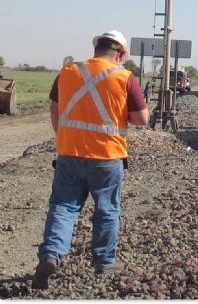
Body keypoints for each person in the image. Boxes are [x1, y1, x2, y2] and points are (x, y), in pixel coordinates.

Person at [32, 30, 149, 289]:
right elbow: (142, 119)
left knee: (63, 207)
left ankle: (51, 254)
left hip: (69, 154)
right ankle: (103, 263)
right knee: (107, 210)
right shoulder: (124, 76)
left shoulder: (68, 71)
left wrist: (63, 137)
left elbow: (55, 108)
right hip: (107, 157)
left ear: (97, 49)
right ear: (120, 53)